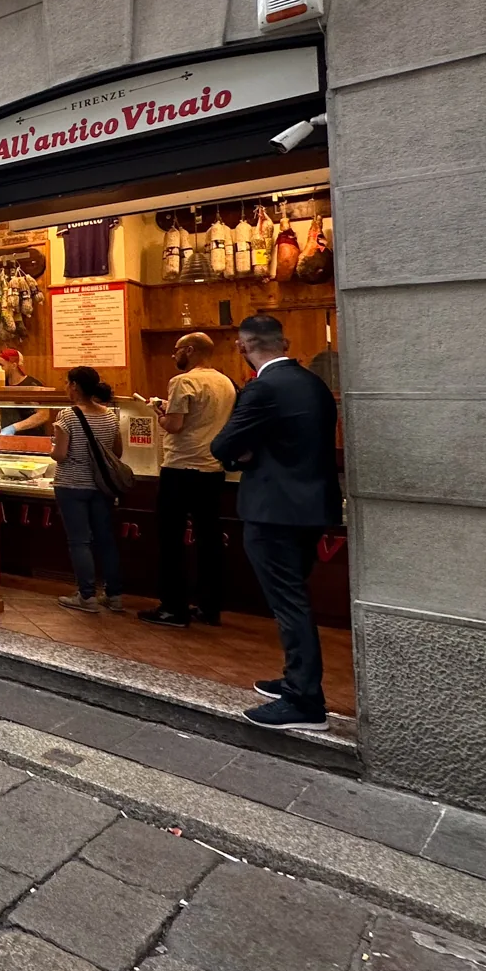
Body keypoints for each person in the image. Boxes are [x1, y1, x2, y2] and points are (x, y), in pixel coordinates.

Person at [211, 313, 342, 732]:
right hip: (312, 506)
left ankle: (305, 701)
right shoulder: (313, 384)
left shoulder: (263, 388)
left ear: (243, 347)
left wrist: (243, 455)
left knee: (289, 603)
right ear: (282, 342)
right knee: (294, 595)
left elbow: (224, 444)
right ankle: (294, 680)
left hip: (273, 510)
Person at [140, 332, 238, 627]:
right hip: (212, 469)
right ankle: (209, 607)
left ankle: (173, 607)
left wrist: (160, 414)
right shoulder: (225, 382)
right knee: (209, 539)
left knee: (171, 540)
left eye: (177, 350)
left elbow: (175, 425)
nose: (174, 356)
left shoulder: (183, 382)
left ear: (190, 350)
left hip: (181, 468)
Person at [50, 365, 127, 614]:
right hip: (101, 486)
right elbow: (117, 452)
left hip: (71, 485)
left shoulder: (67, 416)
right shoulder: (110, 416)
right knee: (106, 540)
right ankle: (114, 595)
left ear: (74, 386)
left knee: (79, 541)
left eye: (66, 382)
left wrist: (53, 448)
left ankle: (86, 596)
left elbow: (60, 455)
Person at [0, 349, 56, 437]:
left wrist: (14, 427)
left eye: (1, 365)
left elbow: (43, 415)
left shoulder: (32, 385)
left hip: (30, 436)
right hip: (5, 436)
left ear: (13, 365)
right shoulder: (1, 385)